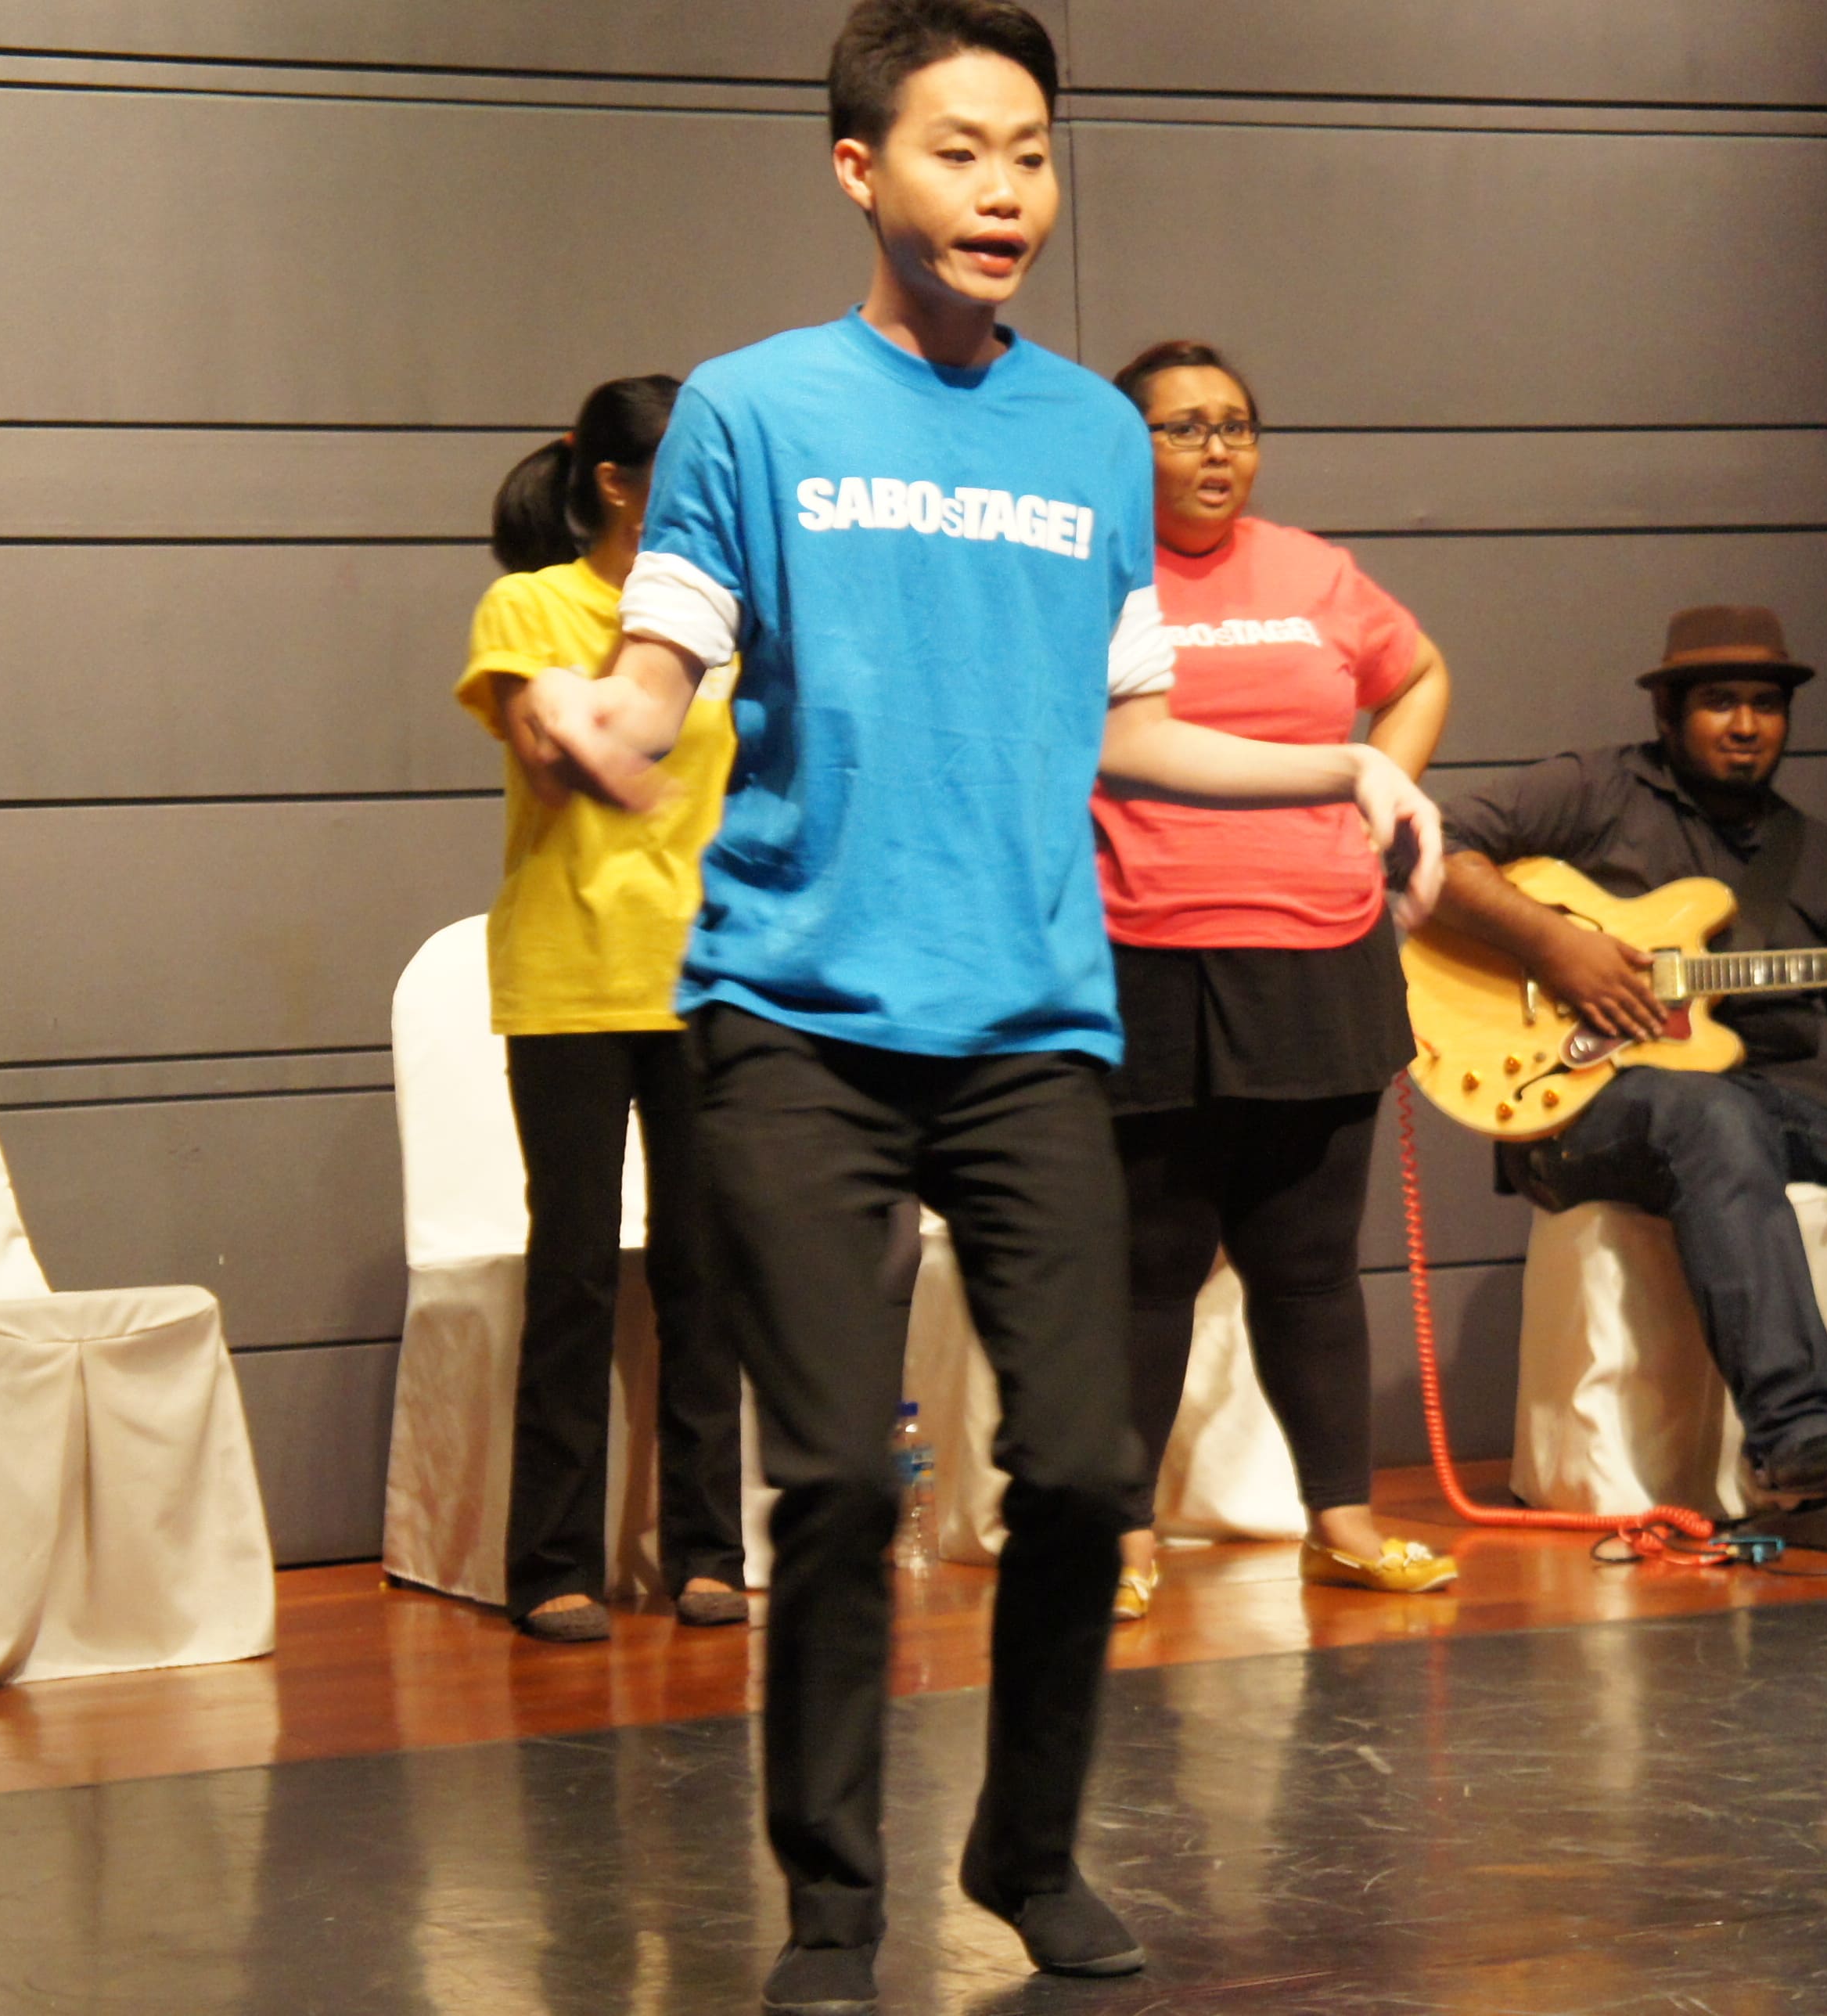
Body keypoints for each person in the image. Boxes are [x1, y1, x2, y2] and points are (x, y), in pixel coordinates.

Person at [505, 6, 1443, 2011]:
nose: (1006, 187)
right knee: (838, 1474)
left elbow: (1140, 729)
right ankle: (835, 1910)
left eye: (1032, 149)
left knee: (1091, 1465)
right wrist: (608, 720)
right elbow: (665, 665)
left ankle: (1027, 1849)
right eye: (959, 149)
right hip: (794, 1024)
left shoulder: (1093, 438)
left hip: (1032, 1025)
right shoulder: (758, 412)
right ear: (862, 170)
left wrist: (1341, 769)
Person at [1432, 607, 1827, 1502]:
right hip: (1580, 1109)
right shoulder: (1591, 792)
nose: (1745, 725)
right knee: (1711, 1110)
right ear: (1668, 713)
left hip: (1767, 1103)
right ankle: (1793, 1432)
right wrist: (1555, 946)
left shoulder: (1823, 859)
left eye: (1765, 705)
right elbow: (1429, 848)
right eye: (1719, 702)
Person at [1095, 340, 1462, 1620]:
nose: (1215, 449)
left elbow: (1415, 674)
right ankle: (1122, 1541)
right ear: (1122, 443)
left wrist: (1383, 792)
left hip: (1319, 949)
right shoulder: (1093, 565)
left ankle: (1342, 1522)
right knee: (1149, 1265)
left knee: (1309, 1264)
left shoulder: (1314, 570)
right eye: (1182, 427)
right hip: (1146, 949)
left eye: (1236, 426)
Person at [458, 376, 748, 1644]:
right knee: (573, 1272)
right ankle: (552, 1561)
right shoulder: (534, 600)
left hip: (710, 977)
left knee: (706, 1273)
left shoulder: (723, 611)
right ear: (620, 480)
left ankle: (707, 1552)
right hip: (572, 975)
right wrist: (595, 746)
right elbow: (537, 736)